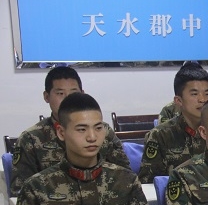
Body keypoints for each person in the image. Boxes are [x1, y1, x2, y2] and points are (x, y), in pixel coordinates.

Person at [14, 93, 152, 205]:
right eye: (81, 129)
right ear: (61, 132)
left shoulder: (126, 181)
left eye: (98, 128)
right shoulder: (37, 188)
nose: (92, 137)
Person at [10, 66, 129, 197]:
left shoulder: (103, 131)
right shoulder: (31, 139)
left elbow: (126, 177)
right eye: (60, 93)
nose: (67, 99)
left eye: (73, 92)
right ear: (46, 96)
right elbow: (21, 192)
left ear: (82, 94)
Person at [138, 62, 208, 183]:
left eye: (207, 93)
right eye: (194, 94)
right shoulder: (160, 136)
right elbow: (149, 182)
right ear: (179, 101)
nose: (202, 99)